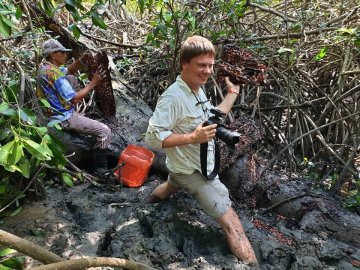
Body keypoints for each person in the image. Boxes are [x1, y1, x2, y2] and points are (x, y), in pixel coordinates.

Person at [145, 36, 258, 265]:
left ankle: (146, 207)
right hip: (193, 173)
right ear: (184, 63)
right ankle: (253, 264)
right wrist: (192, 137)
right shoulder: (172, 98)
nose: (207, 71)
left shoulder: (196, 89)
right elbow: (152, 137)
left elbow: (210, 118)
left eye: (210, 65)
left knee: (169, 186)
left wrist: (232, 93)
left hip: (182, 168)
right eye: (201, 65)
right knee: (232, 222)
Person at [36, 38, 112, 176]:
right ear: (53, 55)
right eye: (62, 53)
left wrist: (82, 60)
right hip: (62, 117)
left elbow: (70, 70)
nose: (66, 55)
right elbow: (76, 98)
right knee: (104, 131)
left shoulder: (45, 68)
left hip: (51, 112)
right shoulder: (55, 75)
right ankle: (101, 170)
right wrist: (93, 82)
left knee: (71, 78)